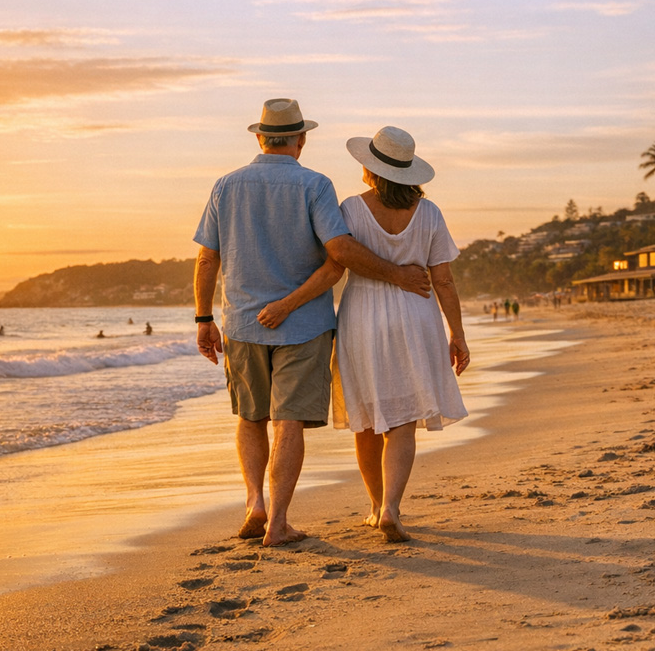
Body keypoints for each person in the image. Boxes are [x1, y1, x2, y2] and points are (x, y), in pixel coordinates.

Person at [194, 100, 432, 547]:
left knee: (250, 417)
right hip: (303, 325)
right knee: (288, 421)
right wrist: (397, 275)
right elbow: (338, 255)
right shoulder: (315, 185)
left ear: (260, 137)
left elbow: (208, 256)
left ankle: (255, 505)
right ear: (301, 139)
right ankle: (278, 520)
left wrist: (204, 317)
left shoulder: (225, 186)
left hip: (242, 322)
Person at [257, 126, 469, 543]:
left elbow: (336, 262)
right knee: (404, 422)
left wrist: (285, 300)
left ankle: (375, 507)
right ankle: (391, 507)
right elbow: (443, 281)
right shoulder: (430, 213)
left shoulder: (351, 209)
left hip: (363, 314)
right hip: (416, 314)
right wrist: (457, 333)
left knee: (368, 422)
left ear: (371, 170)